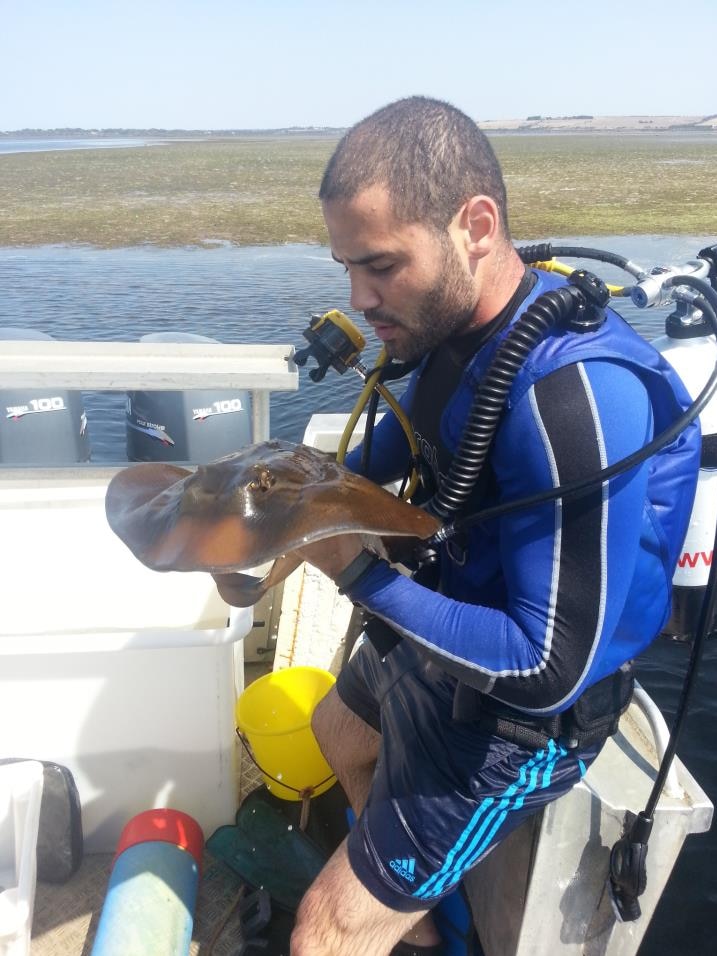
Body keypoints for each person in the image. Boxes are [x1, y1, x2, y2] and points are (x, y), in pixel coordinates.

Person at [289, 96, 701, 955]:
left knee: (321, 934)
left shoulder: (571, 398)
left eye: (379, 266)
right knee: (335, 732)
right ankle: (429, 925)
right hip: (452, 629)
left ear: (474, 224)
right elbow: (401, 445)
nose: (358, 299)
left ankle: (386, 903)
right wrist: (295, 483)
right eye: (346, 268)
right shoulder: (445, 326)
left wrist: (354, 572)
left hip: (525, 720)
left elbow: (544, 667)